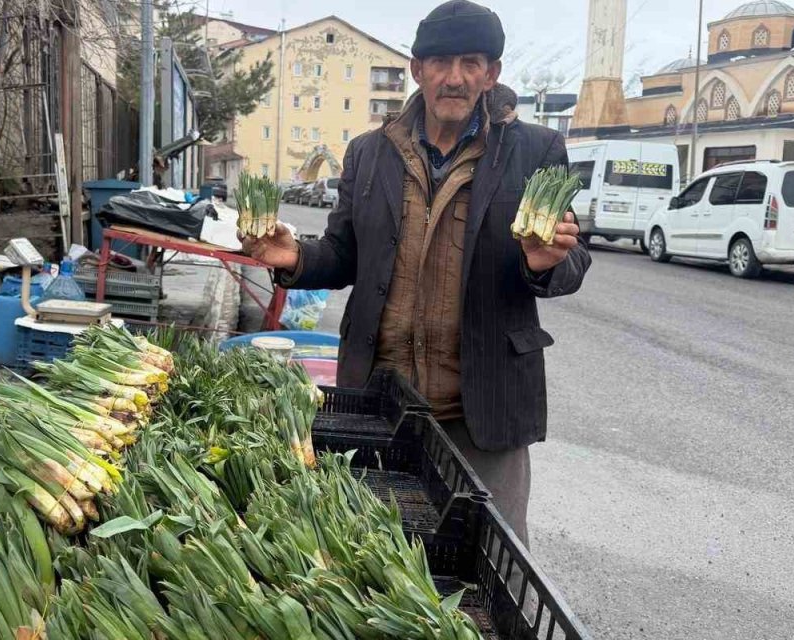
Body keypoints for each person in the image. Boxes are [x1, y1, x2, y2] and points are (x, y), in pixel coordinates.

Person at [242, 0, 589, 546]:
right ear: (417, 69)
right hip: (381, 398)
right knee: (371, 553)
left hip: (482, 410)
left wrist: (544, 264)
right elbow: (346, 251)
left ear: (492, 72)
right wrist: (298, 259)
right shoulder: (369, 153)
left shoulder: (535, 150)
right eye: (441, 62)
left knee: (485, 560)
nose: (455, 78)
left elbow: (571, 261)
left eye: (471, 62)